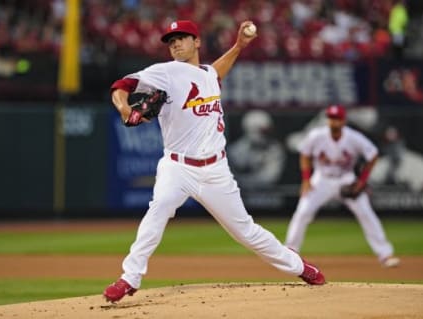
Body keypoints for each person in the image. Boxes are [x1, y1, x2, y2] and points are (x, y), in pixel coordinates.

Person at [104, 20, 325, 303]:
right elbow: (121, 86)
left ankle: (300, 267)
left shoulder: (208, 74)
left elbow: (214, 73)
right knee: (158, 210)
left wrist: (239, 46)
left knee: (245, 231)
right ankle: (129, 278)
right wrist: (124, 108)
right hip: (178, 167)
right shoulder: (166, 71)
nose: (175, 44)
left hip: (216, 170)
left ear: (197, 42)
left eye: (181, 38)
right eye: (171, 41)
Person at [284, 104, 400, 268]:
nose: (334, 121)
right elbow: (305, 154)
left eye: (337, 118)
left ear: (343, 120)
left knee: (366, 213)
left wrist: (362, 181)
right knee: (302, 212)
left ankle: (385, 254)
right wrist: (306, 179)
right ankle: (290, 252)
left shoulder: (353, 137)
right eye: (331, 118)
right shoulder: (317, 135)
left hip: (346, 179)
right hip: (321, 179)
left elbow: (373, 155)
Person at [227, 110, 286, 190]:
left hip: (268, 196)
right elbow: (230, 178)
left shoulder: (275, 150)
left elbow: (271, 178)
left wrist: (243, 180)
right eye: (264, 132)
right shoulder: (234, 151)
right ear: (252, 130)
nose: (267, 135)